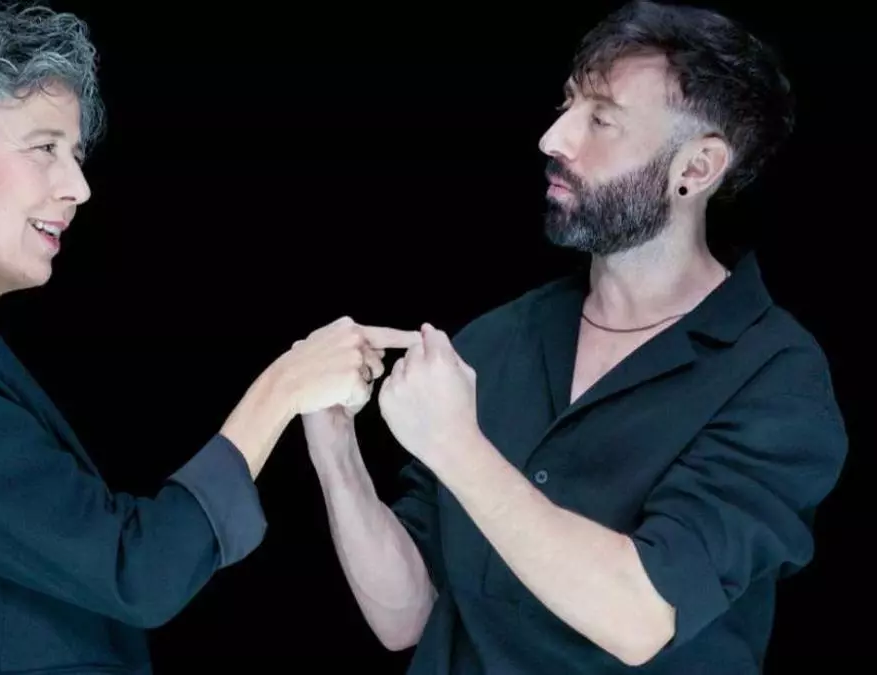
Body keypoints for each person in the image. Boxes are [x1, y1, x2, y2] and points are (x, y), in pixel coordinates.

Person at [0, 6, 418, 674]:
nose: (80, 188)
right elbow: (138, 571)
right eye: (44, 148)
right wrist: (284, 387)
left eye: (76, 155)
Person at [303, 1, 847, 673]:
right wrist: (334, 448)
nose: (553, 138)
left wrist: (456, 447)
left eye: (601, 119)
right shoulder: (496, 340)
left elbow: (642, 616)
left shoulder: (776, 379)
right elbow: (406, 618)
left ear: (697, 169)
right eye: (567, 104)